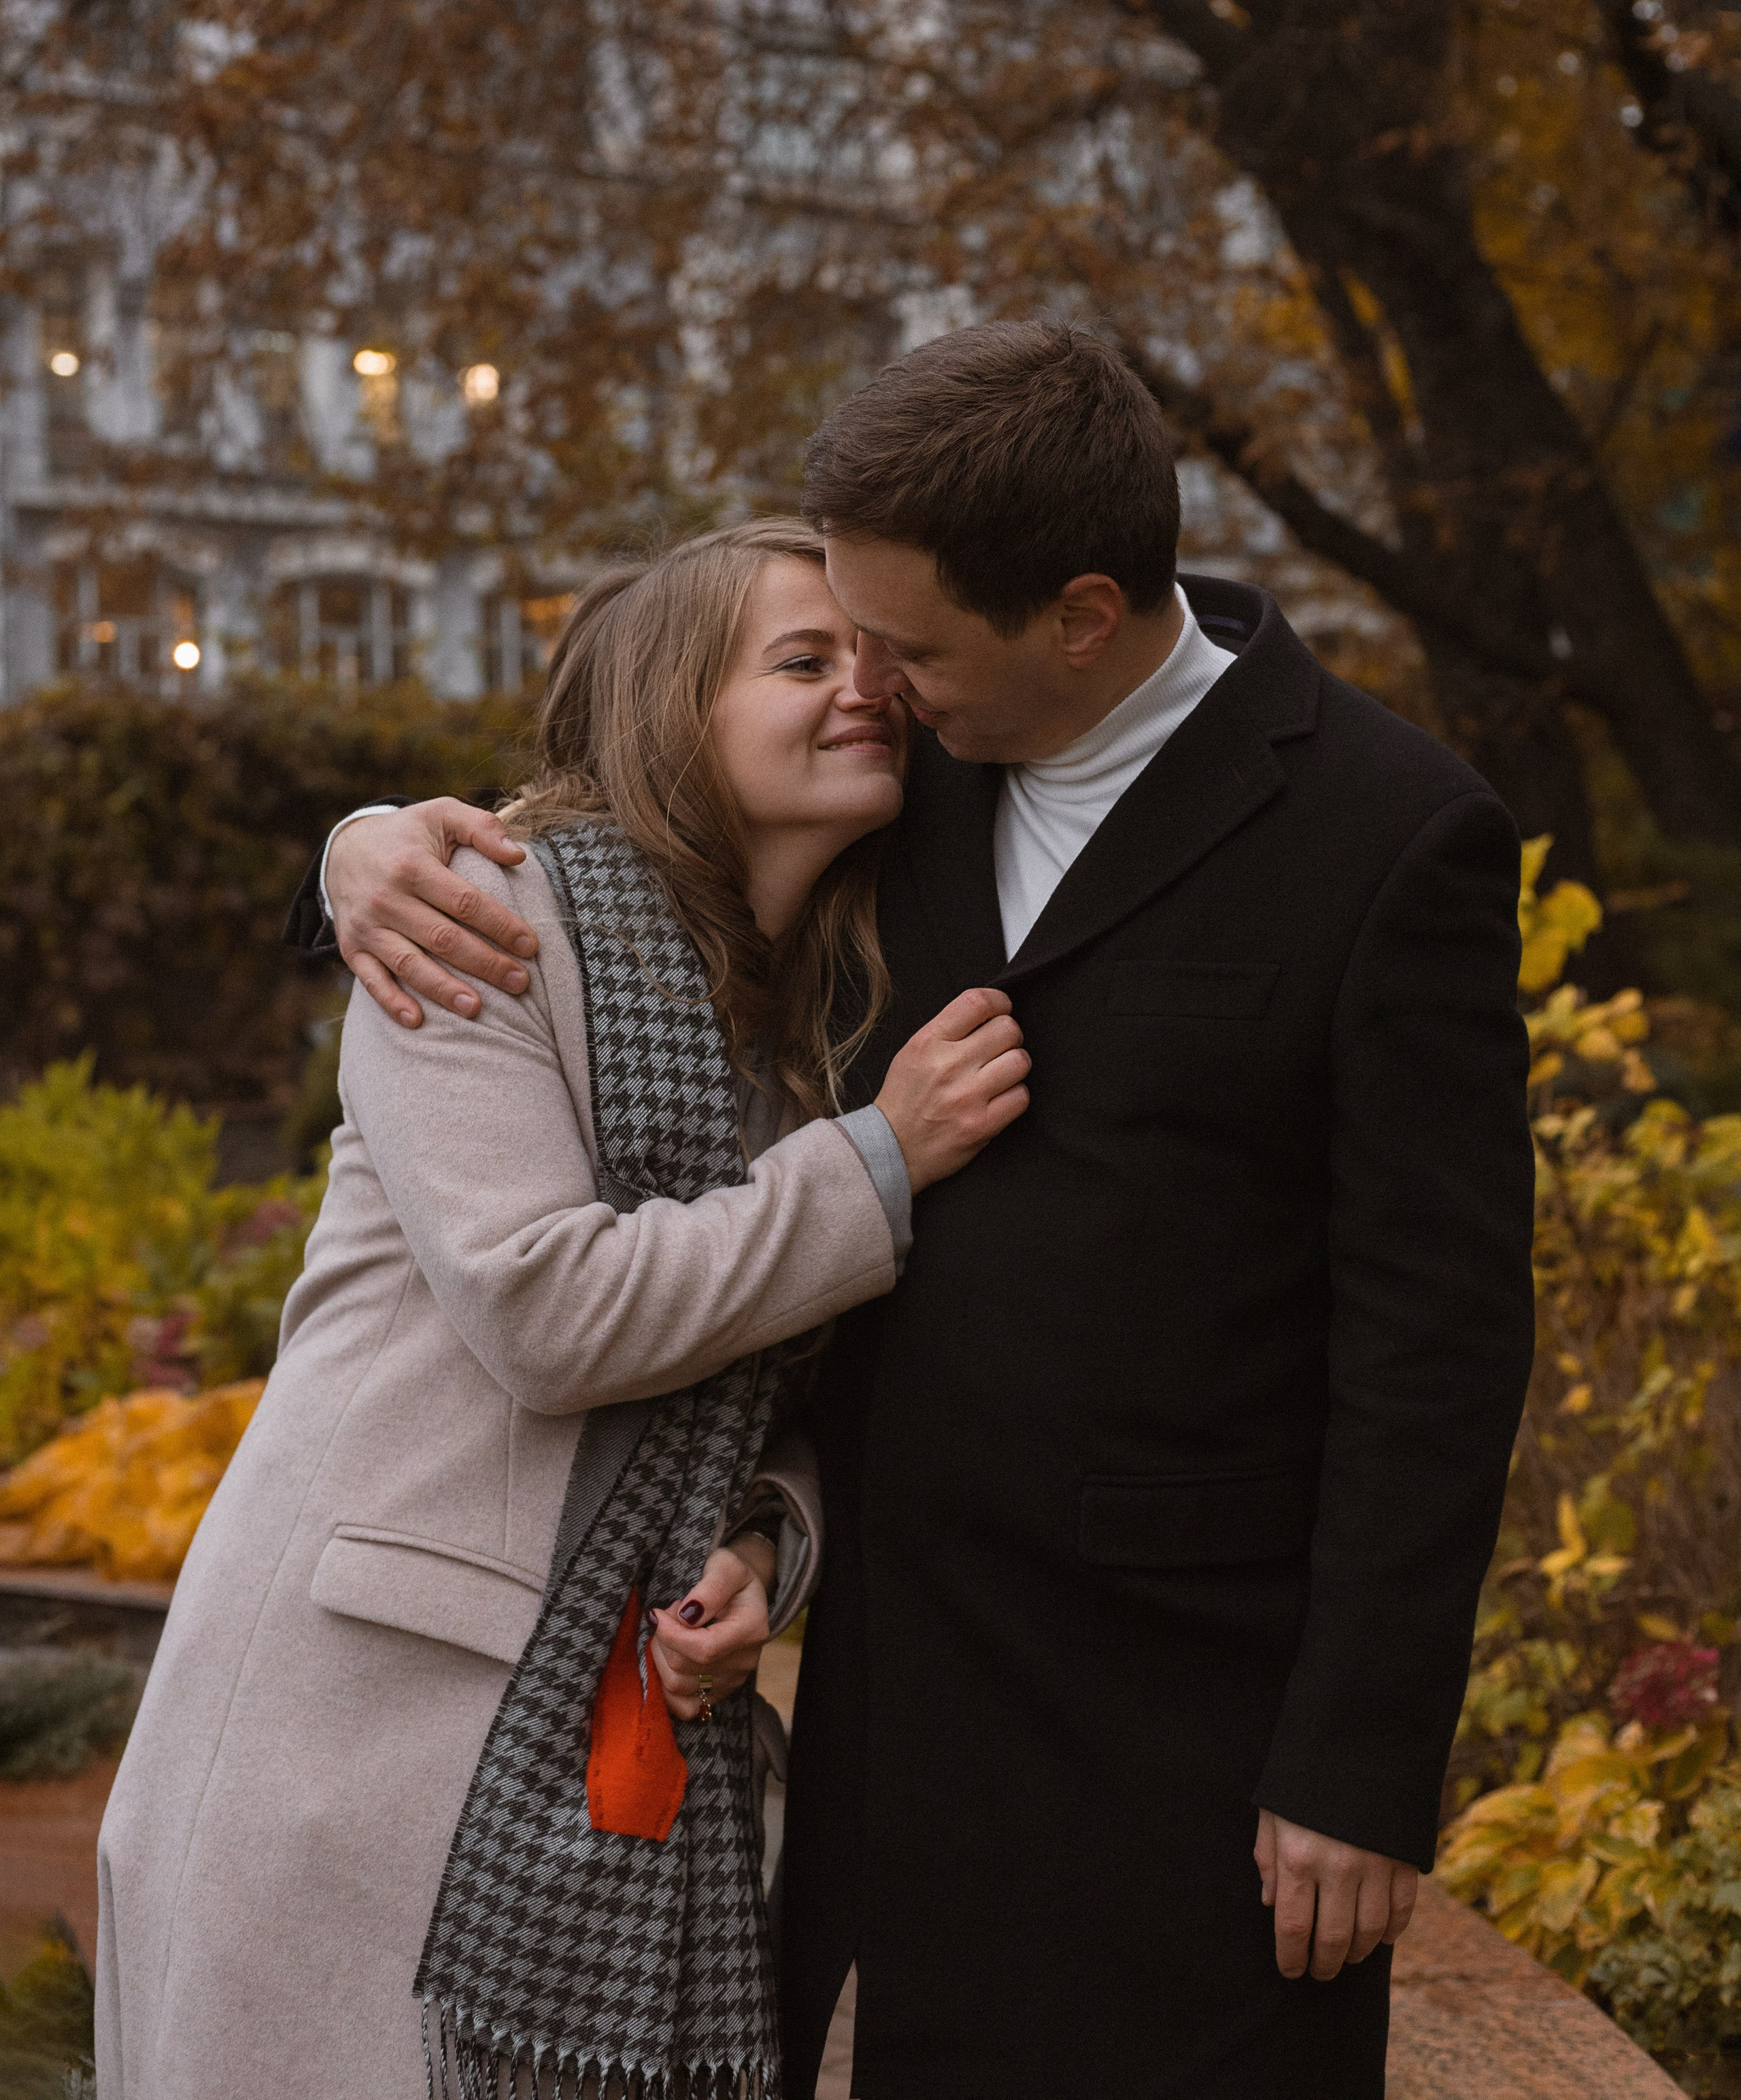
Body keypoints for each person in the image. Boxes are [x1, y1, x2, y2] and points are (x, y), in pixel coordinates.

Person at [310, 320, 1538, 2100]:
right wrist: (352, 858)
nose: (872, 681)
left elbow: (1440, 1342)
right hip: (898, 1707)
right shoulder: (901, 784)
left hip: (1187, 1728)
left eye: (908, 644)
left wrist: (1357, 1763)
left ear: (1082, 615)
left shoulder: (1390, 832)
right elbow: (618, 843)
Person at [95, 518, 1030, 2100]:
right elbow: (548, 1310)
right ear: (675, 709)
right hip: (360, 1729)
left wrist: (756, 1542)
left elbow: (777, 1389)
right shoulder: (485, 927)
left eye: (874, 662)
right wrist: (877, 1166)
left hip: (603, 1743)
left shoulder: (814, 1023)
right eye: (802, 661)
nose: (859, 690)